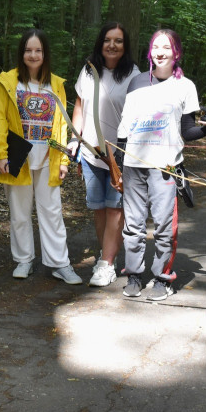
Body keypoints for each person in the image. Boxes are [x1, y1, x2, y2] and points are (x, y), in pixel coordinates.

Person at [114, 29, 206, 301]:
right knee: (133, 224)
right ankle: (134, 275)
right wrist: (118, 158)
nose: (161, 52)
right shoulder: (137, 83)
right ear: (150, 51)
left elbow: (188, 130)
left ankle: (162, 277)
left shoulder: (185, 86)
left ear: (176, 52)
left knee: (163, 224)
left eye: (167, 47)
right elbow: (124, 128)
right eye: (156, 46)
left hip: (166, 167)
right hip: (133, 165)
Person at [0, 29, 80, 284]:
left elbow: (62, 124)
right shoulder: (8, 82)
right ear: (22, 53)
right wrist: (0, 154)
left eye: (38, 50)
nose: (32, 55)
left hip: (48, 155)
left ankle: (59, 263)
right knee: (19, 212)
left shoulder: (56, 84)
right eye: (28, 50)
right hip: (17, 153)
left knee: (52, 211)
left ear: (45, 54)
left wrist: (63, 159)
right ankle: (24, 259)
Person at [70, 22, 139, 287]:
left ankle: (107, 263)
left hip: (120, 156)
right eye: (108, 40)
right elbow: (79, 106)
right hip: (90, 152)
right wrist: (75, 141)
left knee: (115, 210)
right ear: (101, 43)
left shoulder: (135, 74)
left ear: (125, 45)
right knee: (98, 209)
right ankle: (105, 255)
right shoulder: (88, 71)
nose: (112, 45)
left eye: (118, 41)